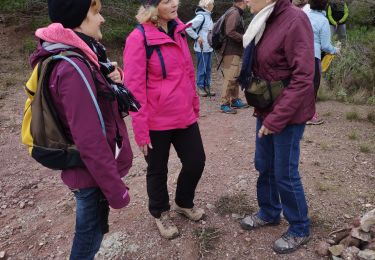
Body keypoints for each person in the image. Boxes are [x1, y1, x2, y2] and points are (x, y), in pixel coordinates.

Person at [30, 0, 133, 258]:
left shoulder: (81, 56)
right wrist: (116, 191)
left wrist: (115, 75)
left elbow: (97, 93)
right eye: (96, 13)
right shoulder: (73, 67)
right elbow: (90, 140)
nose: (103, 20)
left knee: (91, 235)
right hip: (90, 176)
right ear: (79, 17)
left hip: (87, 172)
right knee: (88, 241)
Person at [123, 0, 206, 240]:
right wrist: (140, 131)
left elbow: (188, 71)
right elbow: (134, 90)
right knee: (157, 170)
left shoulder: (179, 30)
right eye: (167, 1)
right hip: (155, 121)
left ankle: (183, 201)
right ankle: (160, 212)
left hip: (184, 115)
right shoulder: (138, 39)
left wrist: (194, 103)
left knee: (195, 162)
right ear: (152, 6)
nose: (175, 3)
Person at [238, 0, 315, 254]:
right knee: (264, 164)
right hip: (267, 106)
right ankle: (270, 212)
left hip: (288, 113)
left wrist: (276, 119)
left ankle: (299, 227)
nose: (246, 1)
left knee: (285, 172)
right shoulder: (265, 18)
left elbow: (304, 77)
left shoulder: (295, 20)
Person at [307, 0, 340, 125]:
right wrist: (335, 50)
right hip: (313, 56)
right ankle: (309, 115)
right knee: (313, 86)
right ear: (325, 6)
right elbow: (325, 46)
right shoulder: (323, 21)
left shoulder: (304, 15)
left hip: (298, 55)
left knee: (299, 85)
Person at [220, 0, 249, 114]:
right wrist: (244, 38)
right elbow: (230, 32)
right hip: (230, 51)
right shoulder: (234, 13)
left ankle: (235, 99)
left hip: (235, 51)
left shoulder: (237, 12)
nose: (248, 2)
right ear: (241, 1)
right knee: (230, 77)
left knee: (235, 76)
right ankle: (224, 104)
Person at [186, 0, 215, 97]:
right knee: (202, 68)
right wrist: (197, 37)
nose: (213, 5)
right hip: (201, 47)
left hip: (209, 47)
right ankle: (200, 87)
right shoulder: (201, 16)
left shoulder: (208, 16)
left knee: (208, 68)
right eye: (212, 3)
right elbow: (187, 27)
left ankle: (207, 86)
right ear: (207, 5)